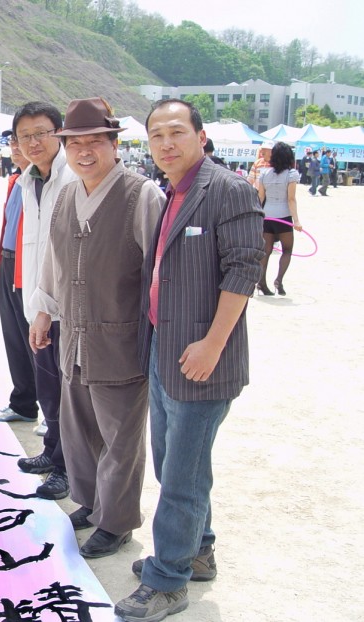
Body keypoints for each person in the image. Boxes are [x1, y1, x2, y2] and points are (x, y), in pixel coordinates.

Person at [114, 99, 263, 622]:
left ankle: (168, 580)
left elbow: (244, 270)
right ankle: (197, 550)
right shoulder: (171, 191)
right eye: (156, 135)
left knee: (181, 476)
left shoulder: (228, 189)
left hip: (203, 358)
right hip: (164, 347)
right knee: (174, 463)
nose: (166, 143)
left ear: (201, 137)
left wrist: (213, 345)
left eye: (176, 132)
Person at [28, 98, 164, 558]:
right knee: (80, 429)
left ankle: (117, 522)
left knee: (120, 437)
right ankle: (89, 503)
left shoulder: (141, 195)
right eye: (75, 144)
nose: (84, 152)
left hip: (120, 338)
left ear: (114, 144)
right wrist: (44, 311)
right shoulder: (67, 194)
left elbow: (159, 271)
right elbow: (54, 260)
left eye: (95, 142)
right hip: (75, 335)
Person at [0, 101, 77, 503]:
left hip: (65, 305)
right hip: (38, 300)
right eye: (24, 136)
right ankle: (52, 451)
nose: (32, 142)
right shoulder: (28, 179)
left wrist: (49, 306)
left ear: (59, 133)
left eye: (41, 133)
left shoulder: (71, 178)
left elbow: (68, 251)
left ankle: (66, 468)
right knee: (48, 385)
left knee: (68, 390)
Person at [0, 131, 38, 440]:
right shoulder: (15, 181)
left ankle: (52, 411)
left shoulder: (40, 182)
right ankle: (23, 402)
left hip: (28, 267)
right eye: (12, 143)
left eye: (20, 142)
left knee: (36, 341)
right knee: (14, 338)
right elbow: (7, 228)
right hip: (9, 263)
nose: (16, 148)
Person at [257, 142, 303, 297]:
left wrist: (257, 217)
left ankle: (261, 282)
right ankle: (279, 280)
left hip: (267, 216)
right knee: (287, 250)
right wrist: (296, 221)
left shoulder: (264, 173)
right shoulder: (291, 174)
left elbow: (260, 197)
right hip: (283, 216)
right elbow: (291, 199)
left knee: (266, 251)